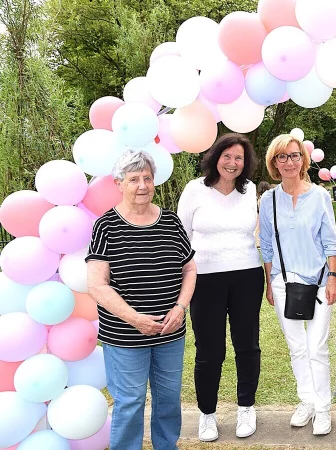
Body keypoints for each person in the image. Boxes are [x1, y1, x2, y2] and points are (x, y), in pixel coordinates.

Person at [86, 150, 197, 450]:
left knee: (168, 399)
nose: (142, 185)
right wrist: (135, 318)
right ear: (118, 184)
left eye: (147, 178)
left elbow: (190, 268)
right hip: (124, 334)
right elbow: (97, 285)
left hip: (170, 330)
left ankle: (166, 446)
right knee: (130, 402)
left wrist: (180, 307)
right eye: (134, 179)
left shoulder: (171, 222)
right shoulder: (106, 226)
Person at [177, 134, 265, 442]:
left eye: (239, 158)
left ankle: (246, 407)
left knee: (247, 345)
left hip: (246, 276)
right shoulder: (194, 190)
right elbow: (182, 236)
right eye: (227, 156)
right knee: (209, 350)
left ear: (246, 162)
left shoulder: (250, 189)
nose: (232, 163)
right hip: (206, 279)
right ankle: (207, 414)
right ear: (215, 157)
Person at [259, 134, 336, 436]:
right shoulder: (268, 200)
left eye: (294, 156)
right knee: (296, 347)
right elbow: (265, 244)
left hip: (318, 281)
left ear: (303, 160)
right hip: (283, 282)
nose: (289, 162)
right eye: (282, 157)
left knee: (316, 346)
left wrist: (333, 277)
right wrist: (270, 281)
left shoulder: (319, 195)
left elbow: (331, 241)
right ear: (274, 163)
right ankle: (306, 400)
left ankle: (323, 408)